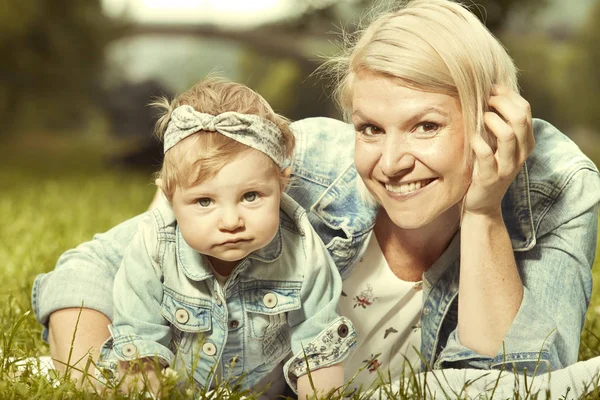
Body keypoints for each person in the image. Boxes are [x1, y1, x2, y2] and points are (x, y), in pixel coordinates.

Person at [32, 0, 600, 396]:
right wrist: (99, 378)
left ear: (492, 121)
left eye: (426, 126)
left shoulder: (560, 191)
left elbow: (515, 381)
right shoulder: (298, 162)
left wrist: (482, 210)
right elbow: (92, 268)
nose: (392, 162)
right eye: (371, 128)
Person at [85, 77, 356, 398]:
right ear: (170, 198)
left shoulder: (302, 247)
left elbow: (319, 345)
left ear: (282, 185)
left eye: (251, 196)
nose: (230, 221)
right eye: (204, 201)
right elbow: (140, 345)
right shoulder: (154, 246)